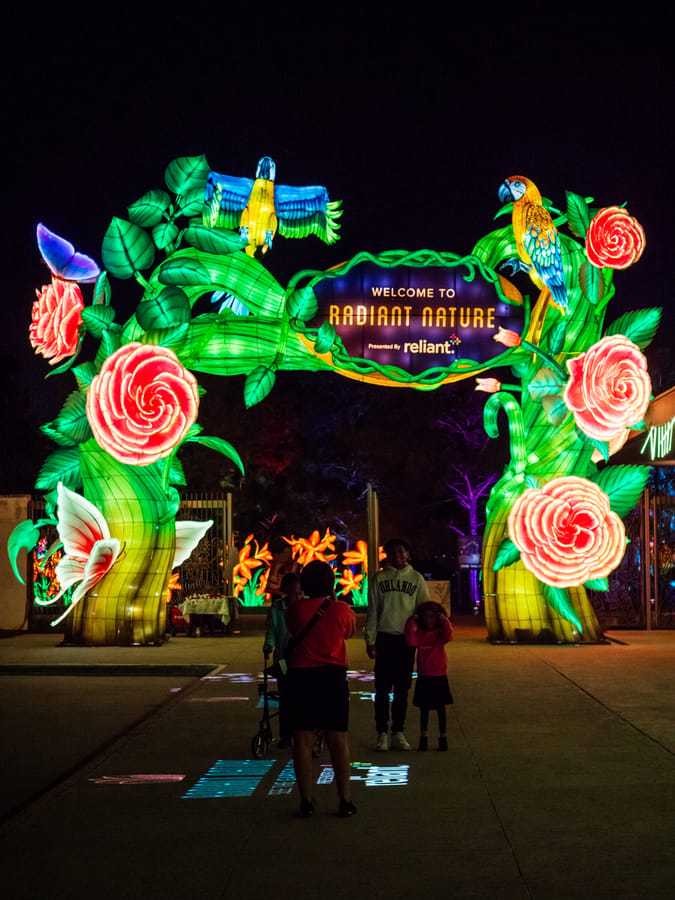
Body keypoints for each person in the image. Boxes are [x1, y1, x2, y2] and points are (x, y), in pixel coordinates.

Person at [285, 560, 357, 818]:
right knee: (338, 739)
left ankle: (306, 800)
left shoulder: (295, 610)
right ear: (332, 582)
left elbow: (292, 629)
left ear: (303, 584)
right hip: (332, 677)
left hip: (301, 677)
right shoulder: (341, 609)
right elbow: (349, 633)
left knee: (302, 740)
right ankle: (345, 800)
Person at [365, 538, 429, 751]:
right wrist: (370, 640)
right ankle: (382, 732)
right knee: (382, 689)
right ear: (387, 555)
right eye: (392, 552)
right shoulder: (379, 579)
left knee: (402, 689)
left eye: (401, 551)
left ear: (408, 554)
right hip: (384, 638)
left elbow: (424, 611)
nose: (397, 556)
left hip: (406, 640)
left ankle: (398, 732)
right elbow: (372, 611)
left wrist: (423, 639)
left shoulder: (417, 579)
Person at [404, 601, 453, 751]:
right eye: (426, 617)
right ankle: (423, 737)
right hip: (424, 675)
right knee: (424, 709)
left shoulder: (440, 634)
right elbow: (410, 639)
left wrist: (444, 620)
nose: (429, 620)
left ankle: (443, 736)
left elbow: (449, 635)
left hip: (439, 675)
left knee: (440, 708)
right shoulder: (420, 634)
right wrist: (412, 620)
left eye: (432, 617)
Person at [262, 571, 303, 747]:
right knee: (285, 698)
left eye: (297, 593)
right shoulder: (276, 608)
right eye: (291, 592)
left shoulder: (305, 606)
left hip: (302, 658)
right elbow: (271, 631)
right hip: (283, 659)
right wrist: (268, 645)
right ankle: (286, 736)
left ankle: (301, 732)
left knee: (301, 697)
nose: (294, 596)